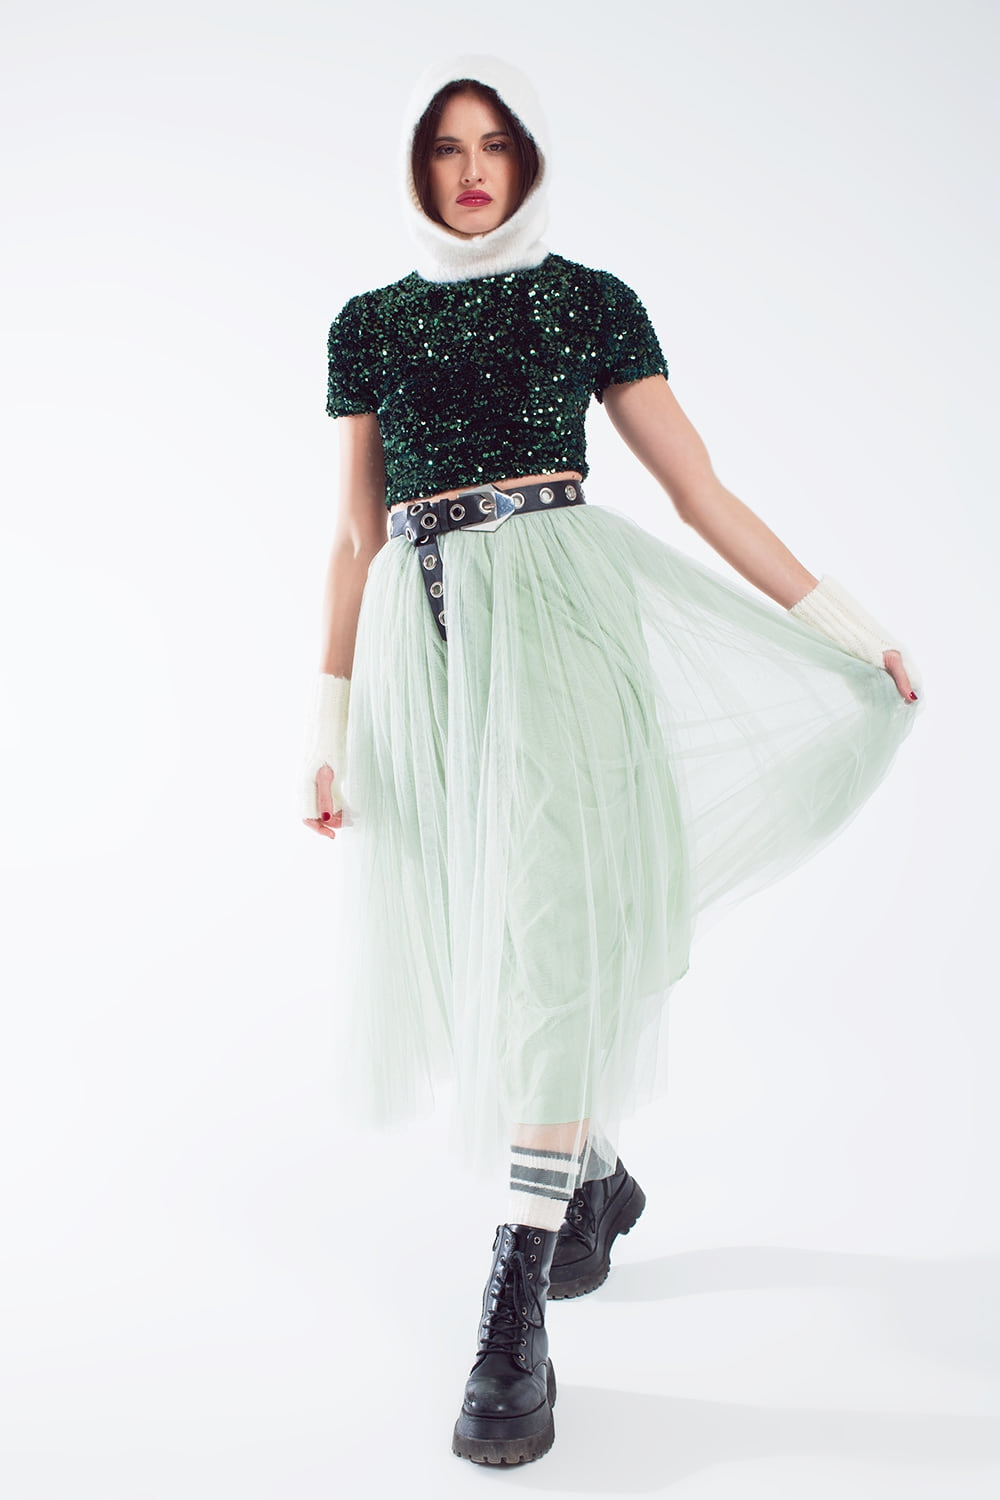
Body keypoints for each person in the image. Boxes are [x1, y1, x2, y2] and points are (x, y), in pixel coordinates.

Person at [298, 54, 921, 1467]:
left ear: (526, 160)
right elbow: (351, 536)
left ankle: (512, 1312)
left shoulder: (588, 299)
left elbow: (699, 489)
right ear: (417, 167)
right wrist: (327, 727)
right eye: (446, 146)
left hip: (566, 639)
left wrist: (847, 626)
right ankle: (593, 1183)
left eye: (494, 143)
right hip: (429, 662)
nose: (471, 169)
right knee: (498, 941)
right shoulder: (366, 324)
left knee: (555, 934)